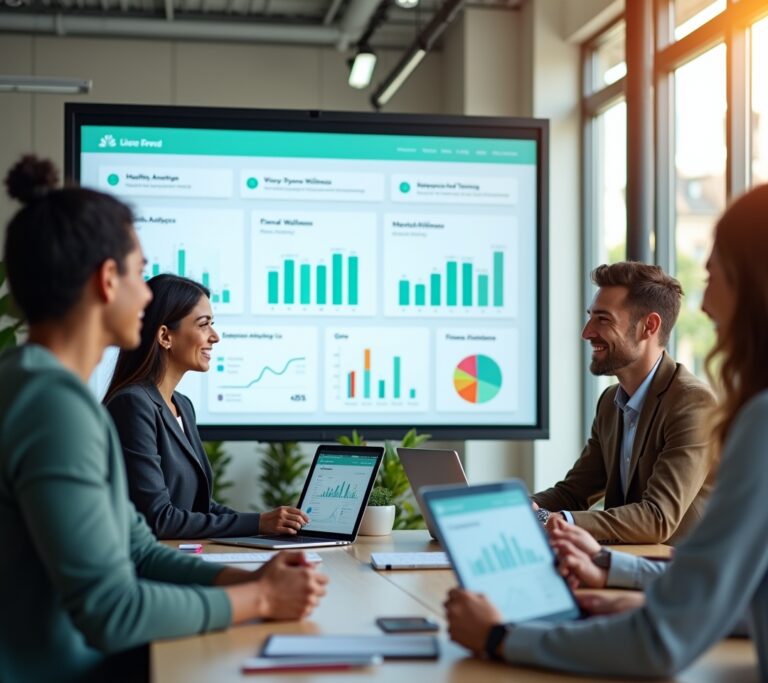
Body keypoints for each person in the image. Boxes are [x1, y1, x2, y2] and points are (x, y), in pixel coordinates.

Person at [0, 156, 327, 683]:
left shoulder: (45, 388)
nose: (147, 295)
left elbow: (137, 546)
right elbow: (113, 612)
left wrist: (234, 580)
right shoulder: (51, 406)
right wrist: (261, 597)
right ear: (108, 280)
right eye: (139, 273)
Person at [444, 184, 768, 678]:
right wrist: (518, 516)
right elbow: (577, 489)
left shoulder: (720, 409)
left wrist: (499, 636)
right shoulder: (612, 402)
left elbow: (661, 628)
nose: (705, 305)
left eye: (715, 276)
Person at [103, 274, 309, 539]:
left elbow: (198, 507)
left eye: (212, 324)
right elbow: (158, 519)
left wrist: (269, 524)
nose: (215, 336)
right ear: (165, 336)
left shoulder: (182, 406)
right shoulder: (133, 404)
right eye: (203, 325)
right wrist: (258, 523)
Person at [532, 261, 716, 544]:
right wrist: (508, 510)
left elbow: (657, 518)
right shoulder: (610, 402)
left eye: (603, 319)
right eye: (590, 317)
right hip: (622, 568)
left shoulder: (692, 403)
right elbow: (573, 493)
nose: (587, 332)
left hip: (679, 576)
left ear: (649, 326)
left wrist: (555, 521)